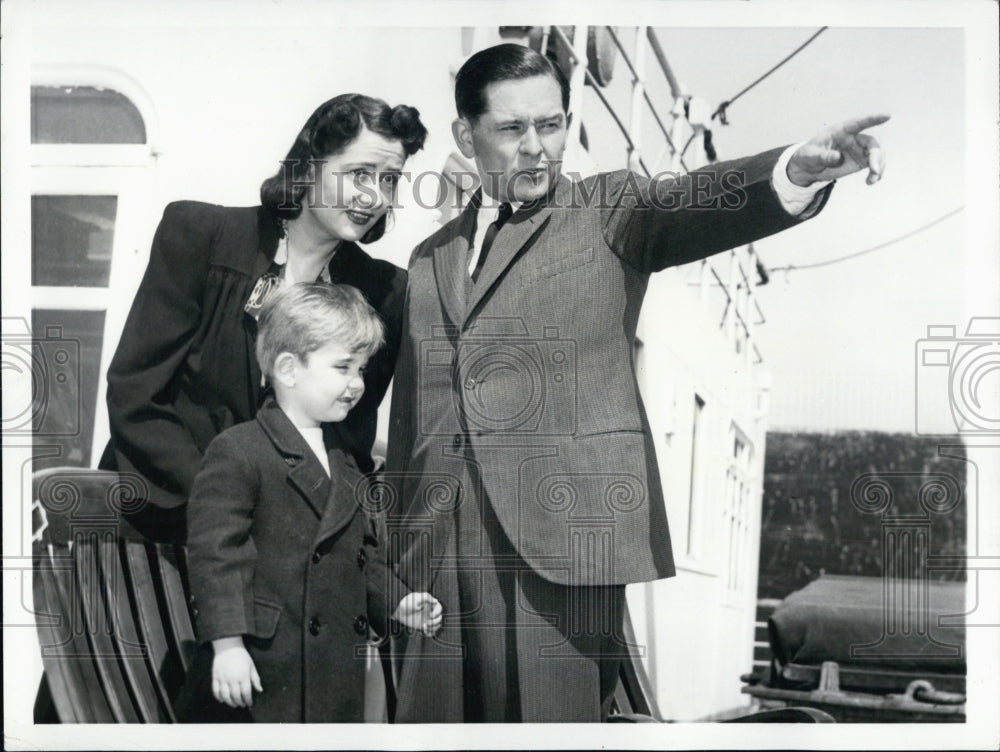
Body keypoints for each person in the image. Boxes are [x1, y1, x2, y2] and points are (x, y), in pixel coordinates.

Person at [384, 43, 888, 722]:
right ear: (466, 136)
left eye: (551, 125)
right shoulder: (428, 259)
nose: (536, 147)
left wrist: (793, 170)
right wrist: (400, 560)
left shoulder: (610, 208)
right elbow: (412, 419)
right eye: (511, 128)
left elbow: (686, 206)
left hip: (561, 547)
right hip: (436, 558)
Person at [100, 93, 427, 541]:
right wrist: (228, 500)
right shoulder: (200, 237)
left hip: (283, 540)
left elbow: (348, 439)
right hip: (161, 526)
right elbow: (136, 395)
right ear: (309, 166)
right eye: (358, 174)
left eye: (389, 179)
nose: (374, 196)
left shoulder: (383, 291)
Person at [176, 283, 443, 723]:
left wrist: (396, 601)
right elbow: (216, 556)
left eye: (361, 369)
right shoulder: (240, 450)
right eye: (342, 367)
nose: (357, 384)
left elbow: (360, 556)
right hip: (258, 670)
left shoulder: (344, 459)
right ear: (288, 369)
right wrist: (227, 645)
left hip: (330, 672)